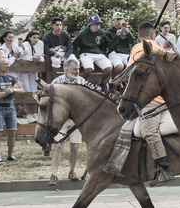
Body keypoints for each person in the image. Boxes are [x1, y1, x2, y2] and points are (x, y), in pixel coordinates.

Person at [129, 22, 179, 186]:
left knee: (148, 131)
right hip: (167, 97)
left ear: (139, 36)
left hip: (152, 100)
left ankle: (163, 168)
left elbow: (133, 73)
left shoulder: (137, 48)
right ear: (153, 35)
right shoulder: (161, 50)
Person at [48, 58, 86, 186]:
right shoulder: (56, 82)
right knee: (58, 145)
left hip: (76, 121)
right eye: (75, 69)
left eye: (78, 69)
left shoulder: (81, 81)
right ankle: (54, 174)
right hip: (61, 121)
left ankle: (72, 171)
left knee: (75, 147)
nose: (77, 71)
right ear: (66, 70)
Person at [0, 58, 22, 163]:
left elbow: (22, 90)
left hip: (11, 107)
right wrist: (9, 92)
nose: (7, 66)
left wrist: (13, 90)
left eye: (8, 64)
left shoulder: (12, 78)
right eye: (5, 64)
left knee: (12, 131)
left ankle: (10, 155)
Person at [73, 14, 113, 87]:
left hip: (98, 54)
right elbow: (74, 45)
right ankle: (80, 84)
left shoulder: (101, 32)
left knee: (108, 68)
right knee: (89, 68)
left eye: (99, 24)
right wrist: (77, 56)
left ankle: (100, 84)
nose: (97, 27)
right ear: (90, 24)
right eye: (95, 24)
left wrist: (104, 53)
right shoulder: (82, 33)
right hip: (86, 54)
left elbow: (105, 44)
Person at [18, 30, 45, 122]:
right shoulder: (25, 44)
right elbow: (22, 57)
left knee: (34, 92)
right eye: (34, 38)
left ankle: (34, 113)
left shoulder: (40, 43)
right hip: (24, 71)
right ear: (29, 38)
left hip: (34, 71)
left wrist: (39, 58)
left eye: (37, 37)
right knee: (26, 91)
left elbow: (42, 56)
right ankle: (28, 114)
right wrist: (32, 58)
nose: (36, 39)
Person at [106, 12, 137, 82]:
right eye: (117, 19)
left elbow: (132, 42)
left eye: (121, 19)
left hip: (126, 53)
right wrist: (116, 36)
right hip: (115, 53)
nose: (119, 22)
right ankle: (112, 82)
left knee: (132, 68)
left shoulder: (125, 30)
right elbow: (110, 46)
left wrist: (128, 33)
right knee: (119, 66)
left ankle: (123, 84)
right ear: (113, 20)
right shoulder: (108, 32)